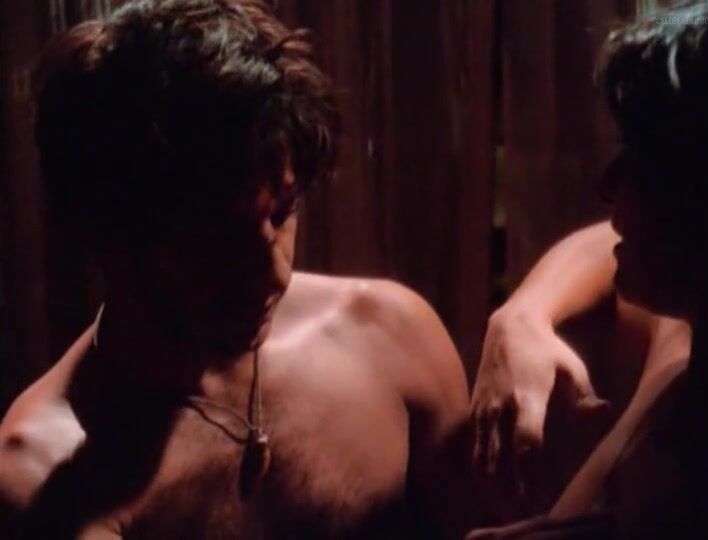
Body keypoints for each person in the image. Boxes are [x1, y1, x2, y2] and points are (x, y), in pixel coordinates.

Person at [0, 1, 476, 537]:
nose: (274, 275)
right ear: (110, 235)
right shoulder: (43, 477)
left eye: (283, 213)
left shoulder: (389, 338)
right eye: (220, 239)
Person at [469, 0, 708, 537]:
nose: (608, 186)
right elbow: (605, 245)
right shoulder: (688, 358)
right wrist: (522, 317)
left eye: (646, 160)